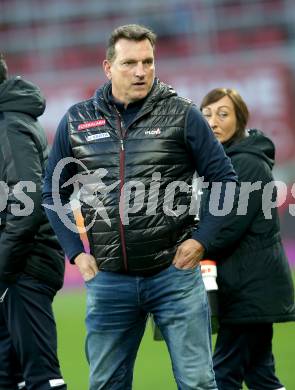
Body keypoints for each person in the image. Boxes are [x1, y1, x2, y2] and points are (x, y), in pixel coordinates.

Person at [43, 24, 238, 390]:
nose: (141, 71)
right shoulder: (77, 121)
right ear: (108, 67)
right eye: (130, 62)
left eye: (148, 61)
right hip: (108, 280)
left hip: (174, 275)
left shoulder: (183, 114)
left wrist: (203, 240)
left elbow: (225, 180)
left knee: (197, 383)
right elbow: (51, 193)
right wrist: (74, 252)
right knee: (106, 385)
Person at [200, 87, 295, 390]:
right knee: (260, 375)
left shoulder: (245, 164)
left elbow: (225, 227)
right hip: (246, 285)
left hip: (248, 287)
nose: (214, 122)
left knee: (222, 375)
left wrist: (189, 248)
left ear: (240, 120)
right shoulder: (225, 162)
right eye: (207, 115)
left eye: (223, 114)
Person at [0, 54, 66, 390]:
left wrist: (3, 264)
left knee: (41, 378)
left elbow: (26, 204)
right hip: (15, 265)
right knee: (10, 377)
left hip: (23, 266)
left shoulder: (9, 124)